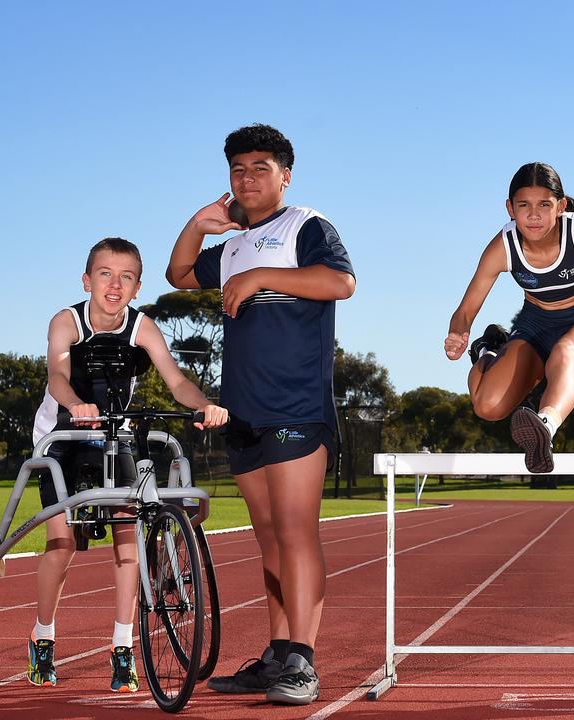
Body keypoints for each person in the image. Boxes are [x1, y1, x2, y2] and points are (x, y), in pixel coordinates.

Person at [166, 123, 355, 706]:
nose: (248, 178)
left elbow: (341, 283)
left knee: (297, 534)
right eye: (238, 169)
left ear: (285, 175)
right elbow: (178, 274)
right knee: (269, 539)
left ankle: (303, 660)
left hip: (296, 406)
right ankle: (277, 653)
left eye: (260, 168)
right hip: (242, 410)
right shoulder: (230, 247)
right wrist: (198, 226)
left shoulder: (306, 226)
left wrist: (261, 276)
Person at [29, 238, 228, 692]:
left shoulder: (143, 327)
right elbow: (57, 375)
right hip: (59, 438)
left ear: (137, 287)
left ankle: (123, 648)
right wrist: (78, 404)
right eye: (105, 274)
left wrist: (204, 405)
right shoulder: (66, 321)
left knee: (128, 542)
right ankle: (43, 636)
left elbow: (176, 380)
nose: (114, 284)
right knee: (61, 546)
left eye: (126, 277)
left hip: (110, 440)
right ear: (87, 281)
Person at [444, 162, 574, 473]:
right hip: (535, 325)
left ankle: (545, 426)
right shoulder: (503, 247)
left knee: (564, 353)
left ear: (561, 206)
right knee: (487, 406)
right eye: (523, 205)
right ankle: (488, 350)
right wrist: (457, 333)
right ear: (510, 209)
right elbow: (465, 309)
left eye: (544, 205)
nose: (533, 215)